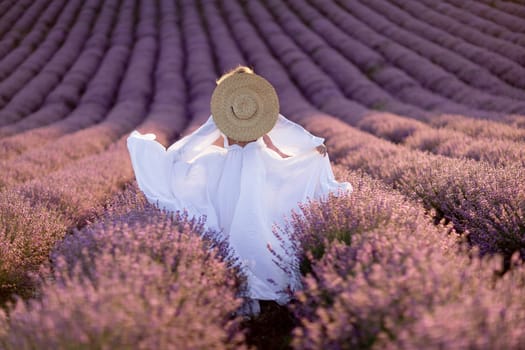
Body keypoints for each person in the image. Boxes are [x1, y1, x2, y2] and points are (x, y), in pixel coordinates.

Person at [127, 65, 352, 316]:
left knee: (229, 222)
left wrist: (175, 159)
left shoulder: (225, 110)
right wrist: (311, 148)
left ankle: (239, 283)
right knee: (260, 218)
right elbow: (287, 132)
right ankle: (265, 280)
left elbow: (197, 140)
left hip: (228, 167)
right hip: (260, 164)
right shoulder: (261, 108)